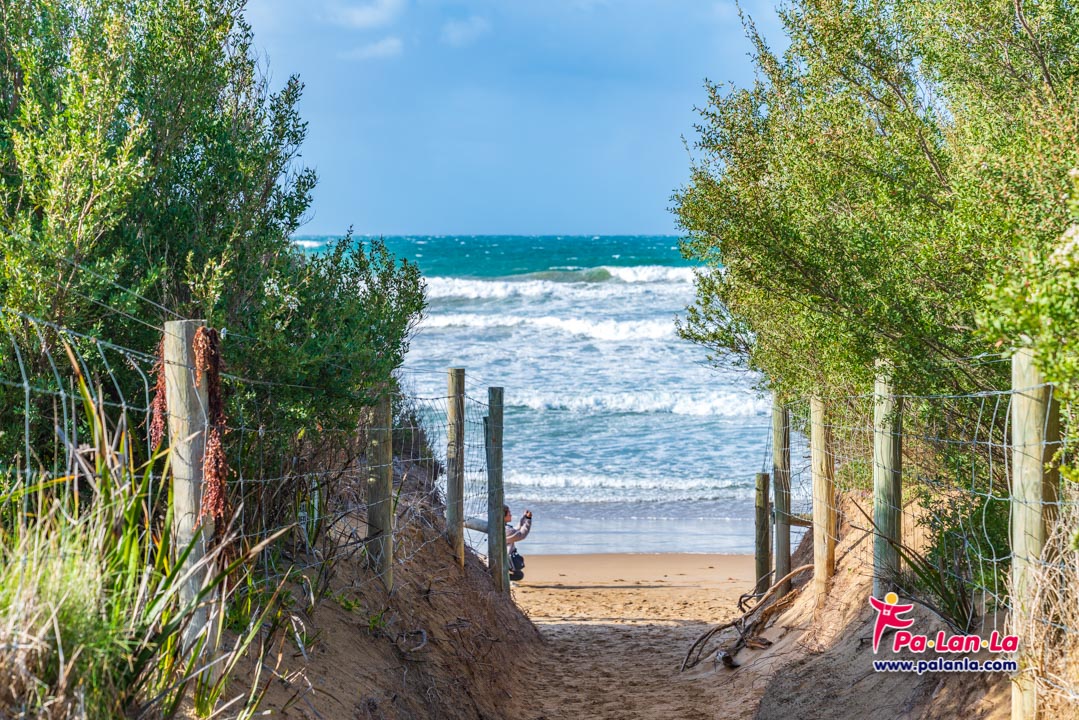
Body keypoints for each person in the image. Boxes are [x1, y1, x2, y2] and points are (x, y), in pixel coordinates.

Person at [504, 505, 532, 581]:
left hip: (502, 557)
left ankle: (504, 577)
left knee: (518, 569)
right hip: (504, 558)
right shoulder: (506, 530)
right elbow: (521, 534)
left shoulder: (501, 526)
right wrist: (528, 519)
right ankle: (504, 579)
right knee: (519, 575)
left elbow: (515, 529)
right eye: (509, 513)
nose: (511, 515)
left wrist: (524, 518)